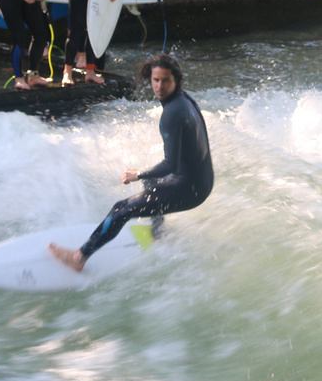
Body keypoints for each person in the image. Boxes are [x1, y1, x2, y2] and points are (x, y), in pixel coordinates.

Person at [49, 53, 213, 274]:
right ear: (150, 78)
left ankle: (79, 257)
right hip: (202, 180)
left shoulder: (173, 114)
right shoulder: (185, 101)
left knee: (120, 210)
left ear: (177, 80)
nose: (160, 86)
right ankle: (157, 234)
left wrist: (139, 174)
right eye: (156, 80)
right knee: (153, 181)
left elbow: (171, 165)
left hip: (190, 189)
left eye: (166, 80)